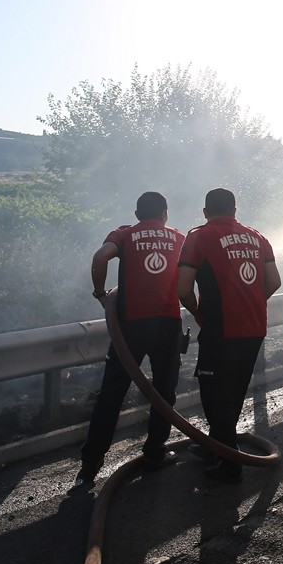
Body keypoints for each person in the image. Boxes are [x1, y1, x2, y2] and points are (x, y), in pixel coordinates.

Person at [76, 191, 186, 487]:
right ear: (165, 213)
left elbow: (101, 257)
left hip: (131, 326)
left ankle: (90, 465)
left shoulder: (125, 234)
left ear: (137, 215)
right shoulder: (179, 237)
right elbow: (191, 277)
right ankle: (154, 452)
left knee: (112, 394)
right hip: (168, 324)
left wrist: (101, 294)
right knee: (164, 392)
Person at [178, 188, 281, 484]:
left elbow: (183, 289)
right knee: (234, 391)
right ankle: (217, 448)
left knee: (213, 393)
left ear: (206, 212)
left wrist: (198, 313)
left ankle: (229, 463)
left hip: (221, 328)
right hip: (255, 327)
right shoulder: (257, 237)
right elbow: (274, 280)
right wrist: (252, 302)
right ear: (235, 211)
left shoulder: (199, 235)